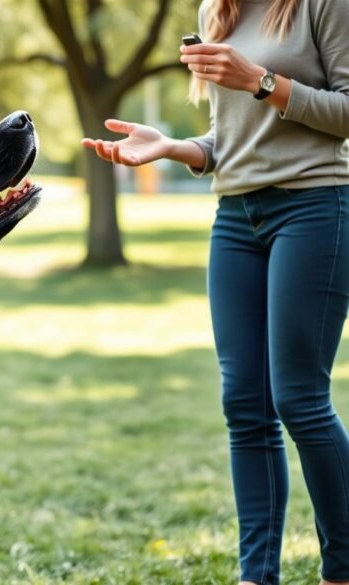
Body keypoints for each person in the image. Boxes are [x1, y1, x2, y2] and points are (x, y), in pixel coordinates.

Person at [80, 0, 349, 583]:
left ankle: (343, 567)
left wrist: (262, 81)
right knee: (243, 406)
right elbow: (233, 140)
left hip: (314, 207)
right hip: (235, 216)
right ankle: (257, 574)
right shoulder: (216, 11)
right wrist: (173, 147)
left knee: (298, 399)